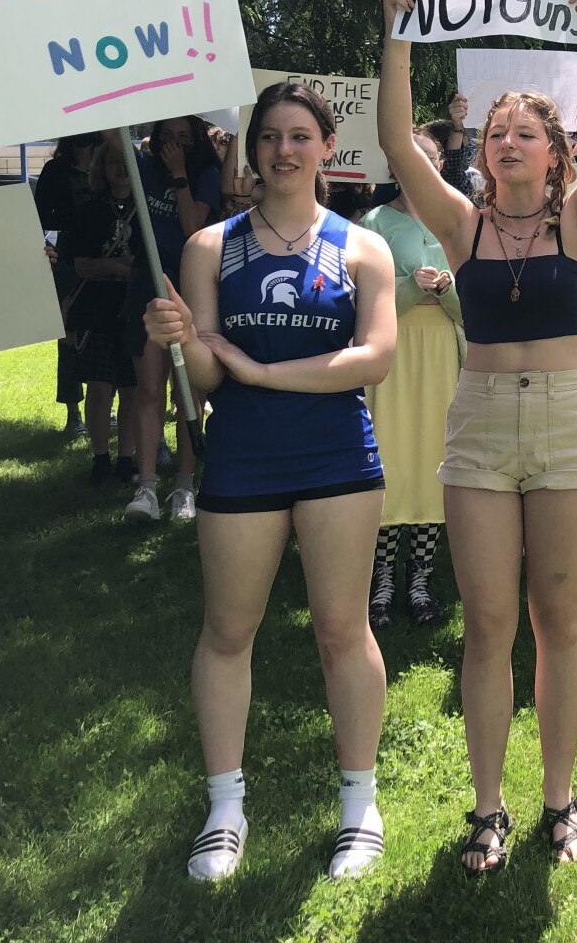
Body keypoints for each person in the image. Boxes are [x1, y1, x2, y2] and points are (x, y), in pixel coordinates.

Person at [378, 0, 577, 874]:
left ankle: (560, 800)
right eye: (495, 132)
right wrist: (399, 31)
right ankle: (488, 809)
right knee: (487, 626)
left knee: (559, 621)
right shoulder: (461, 226)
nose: (507, 141)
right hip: (479, 424)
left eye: (525, 132)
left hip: (566, 425)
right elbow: (396, 140)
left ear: (556, 153)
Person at [144, 82, 396, 882]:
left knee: (342, 631)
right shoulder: (209, 247)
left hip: (337, 459)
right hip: (243, 456)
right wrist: (180, 340)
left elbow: (374, 360)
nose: (283, 150)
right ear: (252, 150)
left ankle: (359, 805)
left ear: (327, 147)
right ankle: (224, 808)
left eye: (299, 135)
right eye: (269, 137)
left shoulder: (363, 247)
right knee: (228, 631)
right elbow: (207, 377)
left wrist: (263, 372)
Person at [360, 130, 464, 628]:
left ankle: (420, 576)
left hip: (442, 353)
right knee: (391, 458)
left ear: (440, 165)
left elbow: (475, 305)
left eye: (429, 157)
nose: (419, 166)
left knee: (431, 460)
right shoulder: (373, 223)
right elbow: (361, 297)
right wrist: (406, 287)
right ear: (395, 167)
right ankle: (380, 578)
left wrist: (446, 291)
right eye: (409, 159)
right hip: (393, 356)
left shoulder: (460, 218)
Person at [126, 115, 221, 523]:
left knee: (187, 395)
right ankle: (146, 487)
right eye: (168, 136)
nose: (175, 145)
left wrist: (180, 175)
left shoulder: (207, 175)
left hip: (190, 288)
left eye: (184, 137)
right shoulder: (144, 168)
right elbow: (112, 142)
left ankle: (184, 486)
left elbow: (191, 227)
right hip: (147, 286)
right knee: (149, 390)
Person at [65, 140, 141, 487]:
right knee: (98, 389)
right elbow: (82, 265)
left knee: (131, 389)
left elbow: (148, 265)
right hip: (95, 311)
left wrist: (108, 266)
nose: (121, 169)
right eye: (113, 162)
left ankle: (126, 460)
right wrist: (123, 266)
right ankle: (100, 459)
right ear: (102, 168)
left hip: (134, 309)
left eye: (127, 162)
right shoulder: (88, 211)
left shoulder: (147, 212)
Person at [36, 132, 103, 437]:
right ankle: (74, 413)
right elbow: (38, 216)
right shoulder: (55, 170)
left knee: (104, 335)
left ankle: (104, 405)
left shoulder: (108, 162)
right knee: (68, 336)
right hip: (67, 261)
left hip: (106, 256)